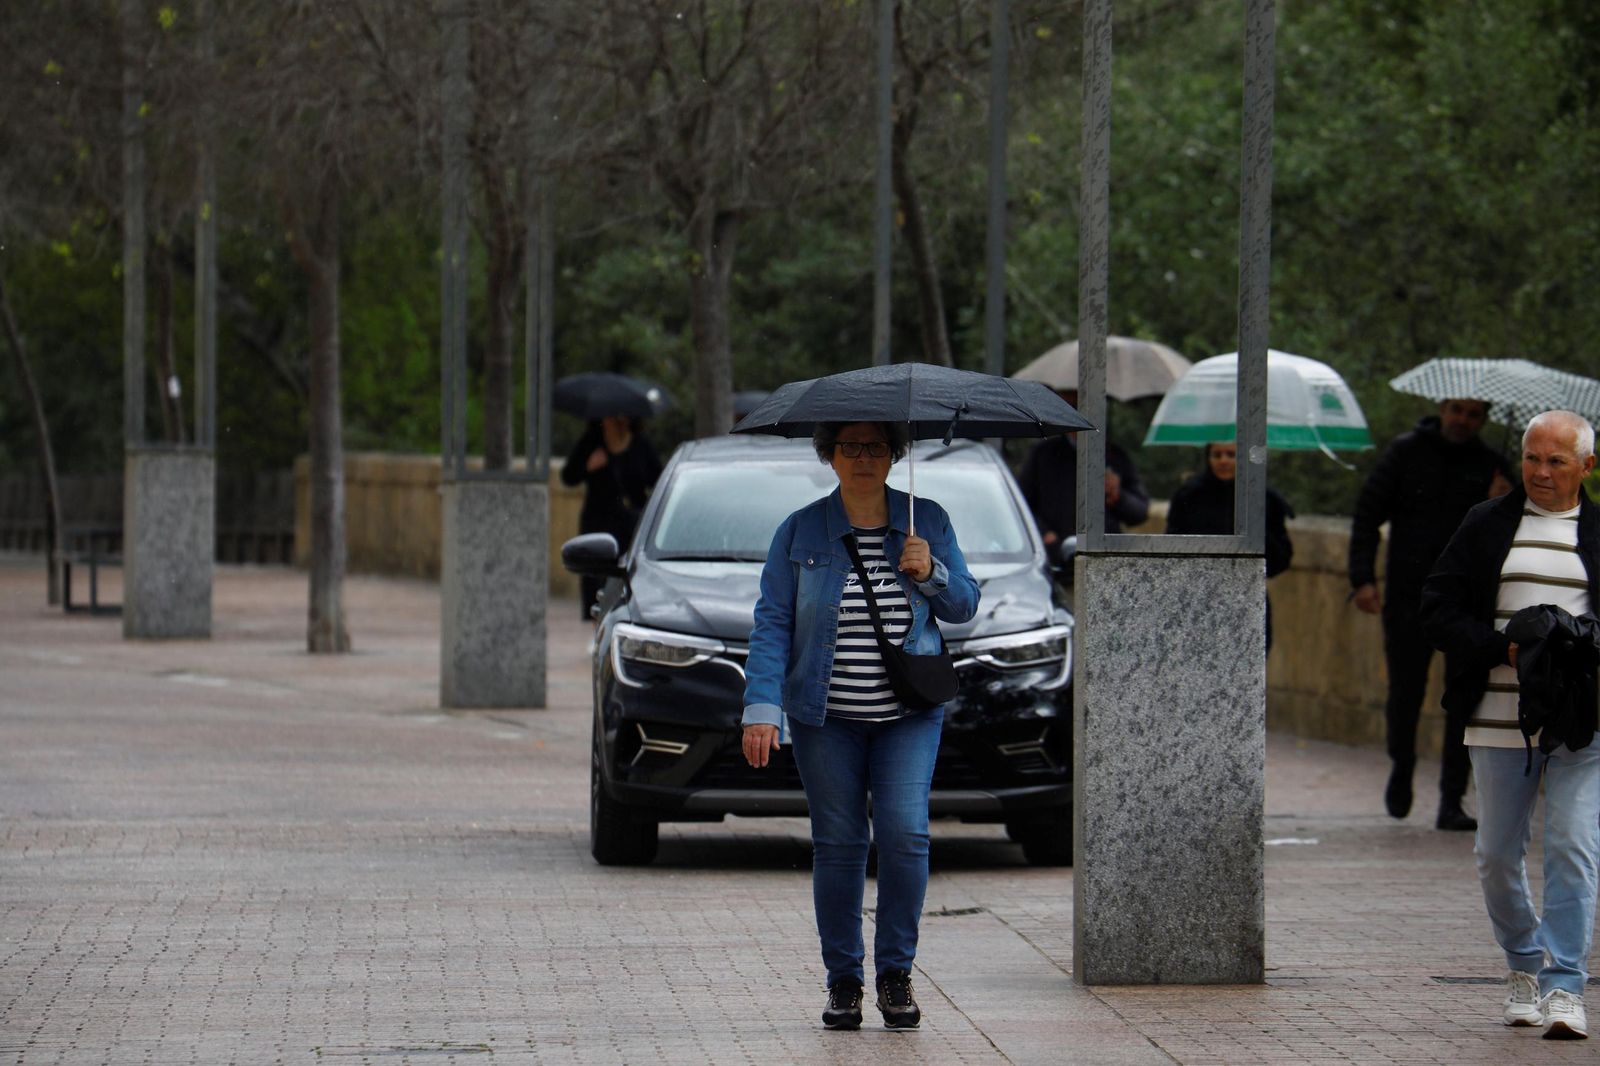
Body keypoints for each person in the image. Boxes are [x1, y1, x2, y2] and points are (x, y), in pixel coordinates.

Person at [740, 421, 979, 1032]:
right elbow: (772, 621)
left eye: (876, 447)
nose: (864, 457)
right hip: (824, 719)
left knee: (904, 837)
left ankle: (895, 973)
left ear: (895, 456)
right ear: (831, 456)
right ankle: (844, 981)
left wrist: (932, 574)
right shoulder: (800, 530)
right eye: (851, 446)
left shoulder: (928, 521)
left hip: (908, 716)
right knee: (840, 848)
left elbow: (965, 608)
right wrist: (762, 707)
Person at [1419, 410, 1598, 1041]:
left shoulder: (1598, 532)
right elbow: (1435, 608)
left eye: (1556, 461)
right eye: (1532, 459)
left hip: (1582, 721)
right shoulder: (1486, 523)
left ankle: (1566, 985)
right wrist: (1504, 649)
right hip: (1497, 717)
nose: (1541, 472)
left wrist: (1582, 648)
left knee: (1574, 845)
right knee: (1497, 854)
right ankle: (1524, 965)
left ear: (1586, 467)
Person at [1348, 399, 1513, 830]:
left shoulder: (1494, 467)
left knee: (1462, 699)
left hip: (1468, 603)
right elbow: (1367, 516)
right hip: (1410, 597)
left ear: (1484, 420)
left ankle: (1451, 800)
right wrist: (1362, 579)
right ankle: (1401, 766)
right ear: (1442, 408)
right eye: (1456, 410)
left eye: (1473, 414)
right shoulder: (1405, 452)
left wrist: (1502, 502)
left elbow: (1515, 531)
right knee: (1406, 693)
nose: (1462, 420)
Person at [1164, 442, 1294, 649]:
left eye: (1231, 455)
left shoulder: (1264, 498)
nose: (1224, 461)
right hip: (1197, 598)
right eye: (1217, 455)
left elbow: (1281, 559)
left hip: (1248, 597)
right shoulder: (1190, 495)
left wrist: (1255, 529)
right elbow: (1171, 547)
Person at [1017, 390, 1149, 558]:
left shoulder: (1114, 456)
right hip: (1056, 558)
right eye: (1072, 407)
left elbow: (1139, 513)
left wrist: (1118, 496)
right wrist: (1044, 533)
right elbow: (1022, 504)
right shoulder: (1044, 454)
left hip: (1102, 558)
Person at [560, 414, 662, 619]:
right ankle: (597, 627)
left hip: (631, 523)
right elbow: (568, 476)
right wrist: (588, 467)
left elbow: (657, 480)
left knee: (627, 577)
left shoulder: (641, 445)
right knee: (594, 580)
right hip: (597, 520)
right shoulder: (592, 442)